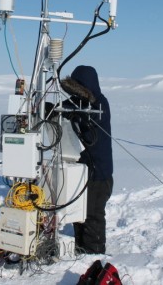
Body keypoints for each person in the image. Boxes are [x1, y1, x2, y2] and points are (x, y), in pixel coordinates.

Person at [61, 65, 113, 255]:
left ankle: (94, 256)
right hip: (82, 173)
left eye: (78, 89)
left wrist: (73, 114)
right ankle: (81, 251)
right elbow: (65, 108)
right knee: (79, 214)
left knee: (92, 217)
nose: (75, 94)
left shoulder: (100, 104)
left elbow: (86, 118)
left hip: (99, 176)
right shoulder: (76, 102)